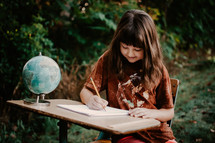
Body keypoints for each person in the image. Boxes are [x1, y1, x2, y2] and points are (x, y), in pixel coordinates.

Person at [80, 9, 177, 143]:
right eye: (125, 47)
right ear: (118, 42)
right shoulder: (109, 60)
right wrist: (91, 100)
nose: (130, 53)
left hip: (158, 134)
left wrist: (152, 113)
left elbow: (168, 111)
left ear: (149, 47)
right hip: (126, 133)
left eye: (137, 49)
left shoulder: (157, 69)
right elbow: (86, 91)